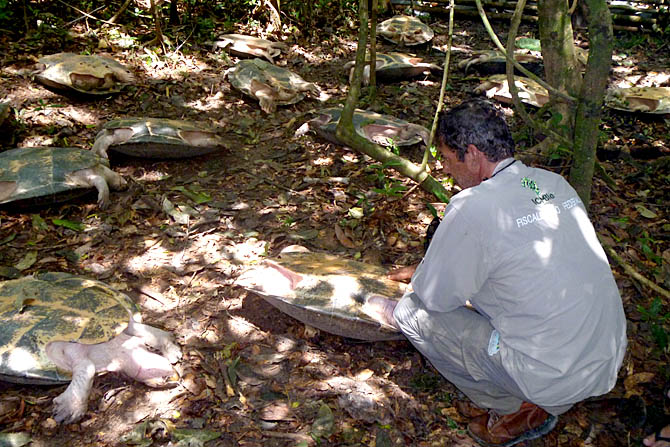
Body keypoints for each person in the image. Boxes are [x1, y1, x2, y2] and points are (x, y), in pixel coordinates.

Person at [363, 99, 628, 447]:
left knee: (411, 312)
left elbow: (435, 297)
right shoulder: (553, 184)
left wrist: (419, 282)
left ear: (472, 154)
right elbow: (521, 259)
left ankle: (515, 407)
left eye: (446, 158)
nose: (446, 169)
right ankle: (537, 397)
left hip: (550, 376)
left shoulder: (472, 206)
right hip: (604, 358)